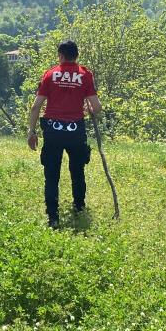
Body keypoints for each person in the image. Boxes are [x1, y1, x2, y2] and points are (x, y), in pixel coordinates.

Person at [27, 40, 102, 228]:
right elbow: (97, 107)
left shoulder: (50, 75)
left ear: (60, 56)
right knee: (77, 171)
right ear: (76, 56)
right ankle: (79, 207)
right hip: (75, 131)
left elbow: (36, 106)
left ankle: (53, 216)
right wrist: (88, 110)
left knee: (52, 174)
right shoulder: (85, 75)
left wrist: (32, 131)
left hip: (53, 130)